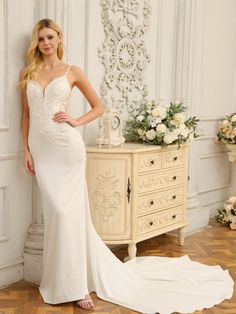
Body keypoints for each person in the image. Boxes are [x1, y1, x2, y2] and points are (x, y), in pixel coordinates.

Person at [19, 18, 234, 313]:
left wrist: (76, 121)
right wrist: (26, 152)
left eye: (50, 37)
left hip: (67, 149)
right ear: (37, 42)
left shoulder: (72, 72)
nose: (45, 43)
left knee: (68, 214)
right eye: (41, 38)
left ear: (59, 39)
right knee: (55, 215)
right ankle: (57, 281)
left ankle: (78, 285)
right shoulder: (28, 73)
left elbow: (99, 106)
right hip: (42, 154)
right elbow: (26, 118)